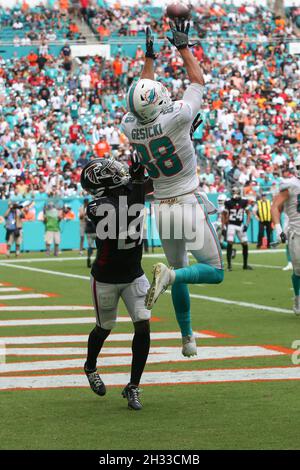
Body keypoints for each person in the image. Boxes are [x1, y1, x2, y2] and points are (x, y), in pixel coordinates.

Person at [121, 23, 224, 358]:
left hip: (162, 208)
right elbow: (198, 81)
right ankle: (171, 278)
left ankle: (187, 337)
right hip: (186, 201)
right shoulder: (178, 117)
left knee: (176, 267)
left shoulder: (130, 129)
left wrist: (149, 59)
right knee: (213, 271)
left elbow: (142, 98)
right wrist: (183, 48)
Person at [80, 156, 151, 410]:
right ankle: (90, 366)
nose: (119, 170)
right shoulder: (97, 205)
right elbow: (124, 215)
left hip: (134, 274)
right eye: (112, 170)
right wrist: (137, 180)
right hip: (106, 279)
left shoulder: (129, 188)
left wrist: (178, 145)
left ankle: (133, 386)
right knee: (104, 327)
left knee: (142, 325)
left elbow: (161, 179)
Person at [271, 156, 300, 315]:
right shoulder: (291, 186)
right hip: (297, 233)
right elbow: (275, 206)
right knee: (298, 271)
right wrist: (278, 229)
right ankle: (297, 298)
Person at [223, 187, 252, 271]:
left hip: (240, 225)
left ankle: (245, 265)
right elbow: (224, 214)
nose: (234, 194)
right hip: (231, 225)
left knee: (245, 243)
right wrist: (224, 226)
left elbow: (248, 213)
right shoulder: (228, 202)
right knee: (230, 243)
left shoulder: (244, 201)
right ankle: (229, 266)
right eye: (233, 192)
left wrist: (246, 224)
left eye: (235, 192)